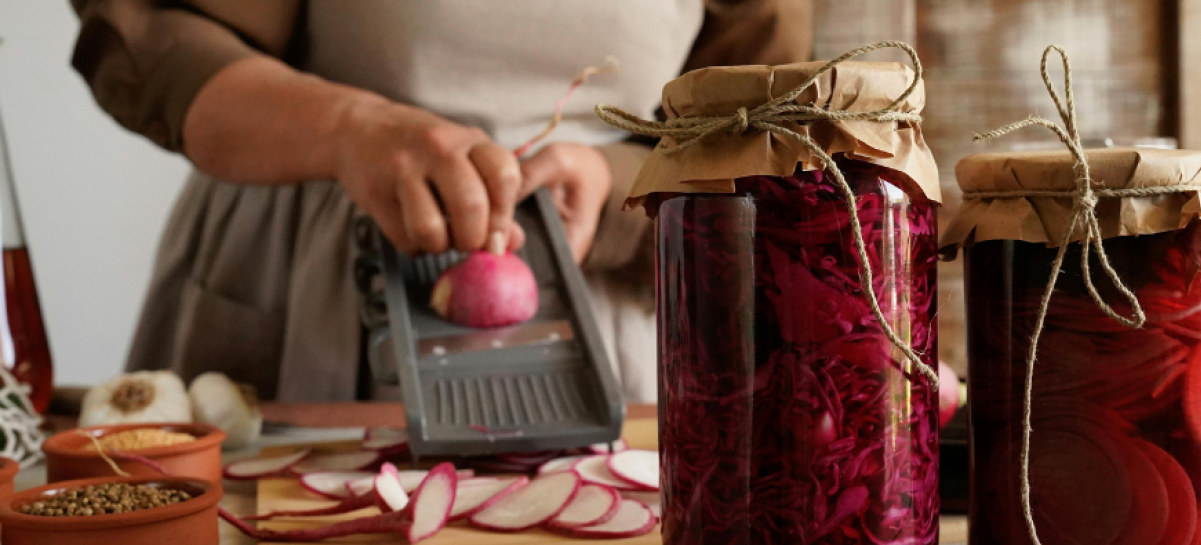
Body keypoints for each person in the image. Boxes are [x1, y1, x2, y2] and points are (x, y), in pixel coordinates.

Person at [69, 0, 812, 402]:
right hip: (304, 288)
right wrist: (348, 128)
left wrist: (618, 182)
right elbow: (153, 28)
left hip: (605, 306)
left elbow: (763, 125)